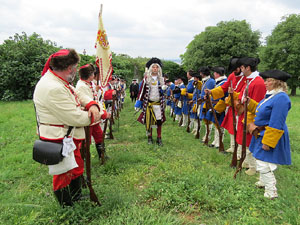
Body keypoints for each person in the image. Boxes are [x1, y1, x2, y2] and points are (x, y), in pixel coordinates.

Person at [33, 49, 102, 207]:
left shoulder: (57, 80)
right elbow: (75, 117)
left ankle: (76, 197)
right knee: (62, 172)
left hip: (67, 135)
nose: (76, 71)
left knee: (75, 167)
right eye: (75, 67)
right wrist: (98, 115)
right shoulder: (53, 87)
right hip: (58, 137)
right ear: (70, 68)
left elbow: (76, 94)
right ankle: (66, 206)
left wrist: (91, 104)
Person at [247, 70, 291, 199]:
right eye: (266, 80)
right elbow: (262, 110)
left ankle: (271, 192)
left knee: (263, 162)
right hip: (262, 133)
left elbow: (277, 122)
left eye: (269, 80)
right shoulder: (272, 96)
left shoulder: (281, 98)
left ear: (277, 82)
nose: (266, 83)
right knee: (259, 158)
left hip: (270, 133)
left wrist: (268, 141)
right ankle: (262, 182)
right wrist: (250, 103)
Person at [229, 57, 266, 175]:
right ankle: (247, 162)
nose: (240, 69)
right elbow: (243, 96)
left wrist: (249, 122)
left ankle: (254, 167)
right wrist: (233, 94)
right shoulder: (249, 80)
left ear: (248, 68)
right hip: (243, 115)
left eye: (242, 67)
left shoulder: (258, 82)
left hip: (250, 118)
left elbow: (257, 105)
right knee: (243, 141)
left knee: (250, 143)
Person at [75, 64, 110, 160]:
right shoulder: (81, 86)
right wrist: (103, 114)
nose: (94, 75)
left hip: (95, 118)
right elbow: (90, 102)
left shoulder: (90, 83)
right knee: (86, 140)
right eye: (93, 73)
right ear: (89, 74)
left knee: (99, 136)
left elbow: (97, 100)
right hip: (88, 117)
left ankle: (102, 156)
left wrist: (102, 112)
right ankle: (84, 159)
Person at [135, 57, 166, 146]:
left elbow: (165, 93)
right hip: (149, 104)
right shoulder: (146, 79)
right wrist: (139, 102)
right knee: (149, 121)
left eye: (156, 67)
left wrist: (164, 90)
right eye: (153, 67)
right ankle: (150, 137)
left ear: (159, 69)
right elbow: (141, 91)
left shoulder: (162, 79)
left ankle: (159, 138)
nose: (155, 69)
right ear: (150, 68)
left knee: (159, 121)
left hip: (158, 104)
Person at [206, 66, 227, 148]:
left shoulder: (224, 82)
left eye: (215, 73)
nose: (214, 74)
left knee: (220, 124)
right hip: (215, 104)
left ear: (218, 74)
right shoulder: (219, 82)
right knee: (216, 123)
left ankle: (219, 142)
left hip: (221, 105)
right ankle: (215, 141)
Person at [198, 66, 216, 143]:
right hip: (203, 102)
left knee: (208, 120)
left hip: (208, 103)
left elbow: (210, 93)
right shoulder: (205, 81)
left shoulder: (211, 81)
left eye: (201, 72)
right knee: (205, 120)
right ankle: (206, 135)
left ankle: (207, 136)